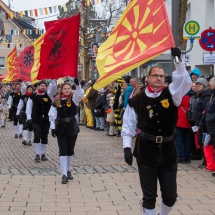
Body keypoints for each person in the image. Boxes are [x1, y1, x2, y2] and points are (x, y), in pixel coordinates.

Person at [121, 48, 192, 215]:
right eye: (155, 75)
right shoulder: (136, 100)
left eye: (162, 76)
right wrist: (126, 148)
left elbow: (185, 82)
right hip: (146, 150)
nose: (159, 78)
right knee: (149, 195)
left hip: (167, 150)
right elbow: (128, 125)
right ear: (148, 78)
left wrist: (178, 61)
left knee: (170, 196)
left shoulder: (172, 94)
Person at [49, 79, 84, 184]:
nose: (67, 90)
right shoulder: (56, 101)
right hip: (61, 128)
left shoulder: (74, 99)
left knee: (70, 150)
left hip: (72, 127)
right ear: (61, 90)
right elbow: (52, 115)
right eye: (65, 88)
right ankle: (64, 174)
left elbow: (79, 94)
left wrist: (77, 85)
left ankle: (68, 169)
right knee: (62, 150)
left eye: (68, 88)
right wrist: (53, 127)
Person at [26, 80, 56, 162]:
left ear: (46, 87)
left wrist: (53, 80)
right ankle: (37, 154)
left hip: (46, 120)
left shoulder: (49, 95)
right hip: (36, 119)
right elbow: (29, 107)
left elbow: (53, 88)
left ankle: (43, 154)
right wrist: (29, 118)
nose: (43, 87)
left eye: (44, 86)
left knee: (44, 136)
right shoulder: (32, 96)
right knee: (37, 135)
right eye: (41, 85)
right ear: (38, 86)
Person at [193, 78, 212, 169]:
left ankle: (207, 162)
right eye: (197, 84)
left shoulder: (206, 96)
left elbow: (206, 111)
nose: (197, 85)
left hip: (204, 124)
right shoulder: (199, 96)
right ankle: (206, 161)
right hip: (199, 124)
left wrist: (202, 122)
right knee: (201, 142)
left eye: (200, 84)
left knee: (204, 142)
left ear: (204, 85)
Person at [176, 94, 191, 163]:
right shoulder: (189, 96)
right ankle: (187, 157)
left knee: (179, 139)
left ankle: (180, 156)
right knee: (186, 139)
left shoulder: (179, 96)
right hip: (187, 119)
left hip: (179, 119)